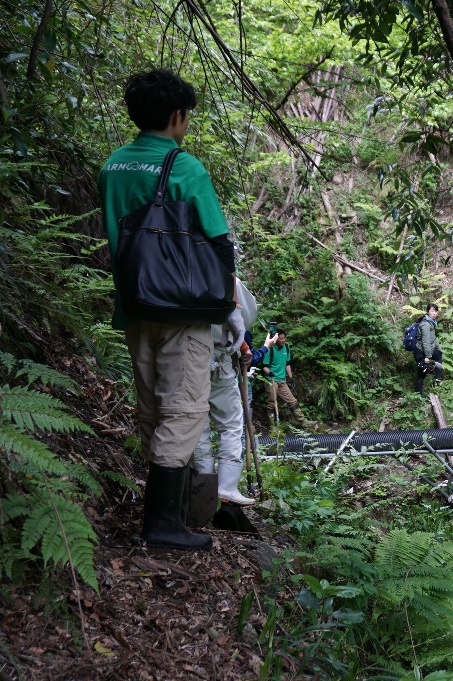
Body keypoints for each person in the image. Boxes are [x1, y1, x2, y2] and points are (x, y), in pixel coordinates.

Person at [99, 69, 245, 550]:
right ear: (178, 115)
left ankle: (175, 510)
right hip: (182, 311)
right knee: (184, 411)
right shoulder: (184, 167)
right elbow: (219, 241)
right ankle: (163, 524)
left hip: (136, 305)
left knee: (152, 410)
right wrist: (228, 305)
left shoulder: (113, 166)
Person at [191, 281, 259, 508]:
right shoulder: (229, 281)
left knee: (197, 420)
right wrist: (243, 347)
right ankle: (226, 487)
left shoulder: (183, 270)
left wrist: (245, 349)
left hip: (188, 353)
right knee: (230, 422)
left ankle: (202, 482)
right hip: (220, 355)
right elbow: (240, 319)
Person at [260, 330, 315, 427]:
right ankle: (272, 427)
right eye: (281, 338)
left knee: (292, 400)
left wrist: (291, 377)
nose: (283, 340)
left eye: (284, 338)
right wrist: (270, 372)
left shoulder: (286, 348)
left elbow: (287, 364)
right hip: (271, 380)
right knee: (272, 402)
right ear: (276, 339)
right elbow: (264, 366)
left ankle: (303, 421)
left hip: (282, 380)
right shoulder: (270, 349)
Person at [414, 303, 443, 395]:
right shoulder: (426, 324)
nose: (434, 313)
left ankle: (437, 376)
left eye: (435, 311)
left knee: (438, 354)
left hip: (426, 350)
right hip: (420, 351)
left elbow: (433, 338)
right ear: (428, 312)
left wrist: (438, 348)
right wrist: (427, 356)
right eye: (432, 311)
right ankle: (418, 395)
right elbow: (425, 341)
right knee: (421, 373)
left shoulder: (431, 323)